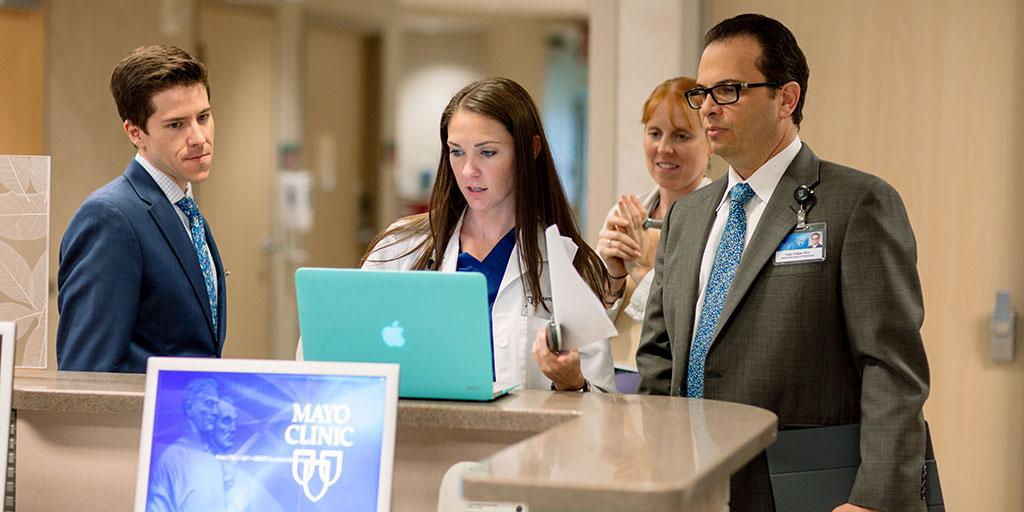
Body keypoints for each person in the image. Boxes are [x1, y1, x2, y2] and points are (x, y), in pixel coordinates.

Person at [636, 13, 929, 512]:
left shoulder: (857, 203)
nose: (708, 107)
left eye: (728, 90)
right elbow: (659, 357)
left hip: (806, 491)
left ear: (786, 99)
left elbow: (891, 369)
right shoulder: (686, 216)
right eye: (701, 92)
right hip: (693, 487)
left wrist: (875, 499)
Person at [361, 77, 615, 392]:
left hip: (530, 440)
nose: (469, 171)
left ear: (529, 150)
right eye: (456, 152)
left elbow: (604, 406)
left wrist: (572, 382)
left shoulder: (570, 265)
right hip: (425, 435)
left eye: (488, 153)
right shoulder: (400, 248)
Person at [57, 45, 227, 372]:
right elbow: (86, 372)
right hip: (137, 422)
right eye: (176, 125)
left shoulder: (187, 213)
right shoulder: (110, 218)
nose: (198, 137)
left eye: (203, 117)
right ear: (135, 132)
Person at [597, 77, 712, 381]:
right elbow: (591, 323)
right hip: (611, 377)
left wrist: (642, 270)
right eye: (654, 133)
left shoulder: (720, 223)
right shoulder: (626, 214)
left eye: (682, 136)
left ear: (711, 142)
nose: (664, 148)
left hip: (670, 382)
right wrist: (612, 277)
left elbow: (696, 326)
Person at [148, 379, 226, 512]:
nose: (214, 412)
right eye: (209, 404)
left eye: (216, 406)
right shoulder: (172, 459)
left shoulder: (213, 457)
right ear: (190, 408)